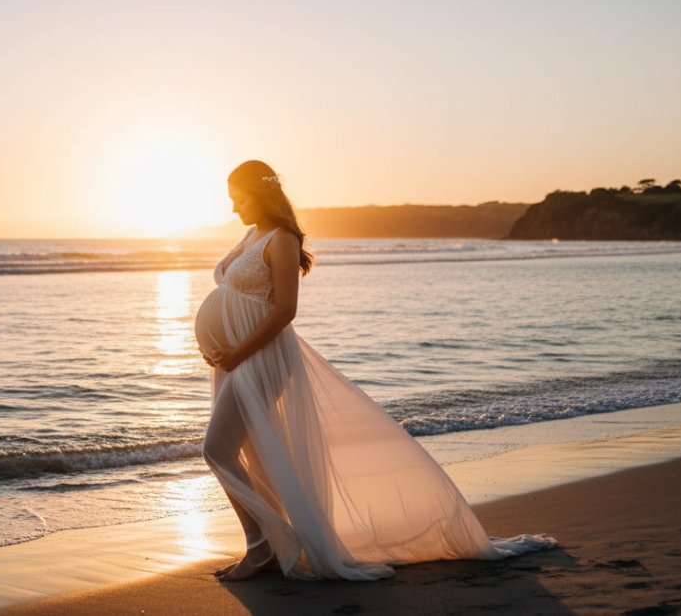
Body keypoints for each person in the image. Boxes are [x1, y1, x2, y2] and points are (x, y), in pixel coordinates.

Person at [194, 160, 553, 582]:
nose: (234, 208)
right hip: (236, 358)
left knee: (217, 450)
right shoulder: (251, 235)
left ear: (260, 194)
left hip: (261, 358)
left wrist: (238, 350)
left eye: (239, 199)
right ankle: (271, 546)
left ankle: (260, 549)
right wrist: (223, 346)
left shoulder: (282, 239)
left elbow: (286, 310)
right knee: (254, 456)